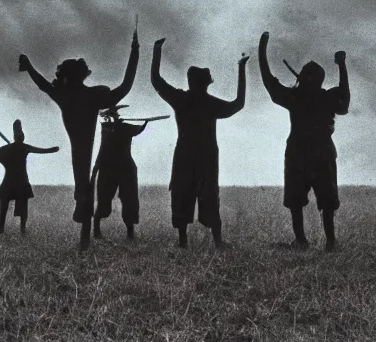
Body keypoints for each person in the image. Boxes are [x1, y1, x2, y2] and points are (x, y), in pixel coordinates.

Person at [18, 27, 139, 250]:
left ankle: (85, 234)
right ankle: (84, 233)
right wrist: (135, 53)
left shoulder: (66, 95)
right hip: (83, 147)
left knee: (84, 184)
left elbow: (43, 85)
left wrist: (29, 68)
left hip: (81, 148)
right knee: (84, 184)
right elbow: (125, 87)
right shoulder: (91, 96)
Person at [150, 38, 246, 249]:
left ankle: (183, 241)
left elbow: (156, 80)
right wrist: (241, 70)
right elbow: (239, 103)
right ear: (205, 82)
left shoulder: (180, 99)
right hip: (207, 155)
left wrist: (156, 51)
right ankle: (218, 241)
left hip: (184, 154)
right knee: (210, 195)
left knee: (182, 195)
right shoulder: (210, 104)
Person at [257, 31, 349, 251]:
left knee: (304, 200)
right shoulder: (325, 98)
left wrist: (262, 50)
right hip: (318, 152)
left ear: (305, 79)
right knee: (313, 199)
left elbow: (270, 85)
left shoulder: (297, 97)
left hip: (301, 152)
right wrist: (342, 66)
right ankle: (327, 241)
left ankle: (309, 240)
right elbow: (344, 102)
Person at [0, 120, 59, 234]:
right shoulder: (22, 148)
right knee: (16, 210)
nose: (21, 137)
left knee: (8, 209)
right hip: (20, 184)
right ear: (19, 136)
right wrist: (53, 149)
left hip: (12, 184)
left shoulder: (6, 150)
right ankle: (13, 231)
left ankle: (6, 230)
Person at [91, 105, 151, 240]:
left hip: (126, 169)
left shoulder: (124, 127)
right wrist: (96, 168)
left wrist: (145, 123)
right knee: (104, 200)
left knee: (129, 201)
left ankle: (130, 233)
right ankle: (96, 229)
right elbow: (102, 150)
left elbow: (139, 130)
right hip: (108, 169)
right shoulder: (106, 130)